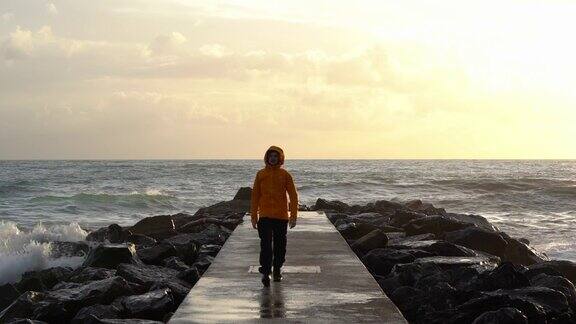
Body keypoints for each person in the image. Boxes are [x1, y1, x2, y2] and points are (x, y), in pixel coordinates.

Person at [250, 145, 298, 287]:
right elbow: (255, 196)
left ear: (280, 159)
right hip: (264, 216)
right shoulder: (260, 174)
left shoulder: (285, 175)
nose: (273, 158)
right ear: (267, 158)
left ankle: (277, 270)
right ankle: (266, 272)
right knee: (265, 245)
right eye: (270, 156)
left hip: (281, 217)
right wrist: (254, 216)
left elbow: (294, 196)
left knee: (280, 246)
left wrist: (293, 216)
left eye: (275, 156)